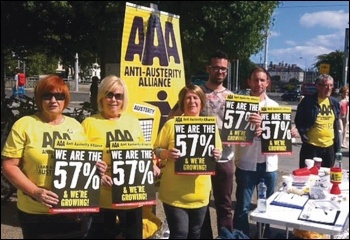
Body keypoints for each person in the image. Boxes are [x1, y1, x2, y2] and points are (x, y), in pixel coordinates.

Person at [1, 74, 107, 239]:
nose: (53, 100)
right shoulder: (25, 125)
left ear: (65, 100)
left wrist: (97, 168)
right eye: (47, 95)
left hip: (71, 212)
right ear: (39, 98)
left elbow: (83, 161)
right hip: (36, 213)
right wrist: (35, 192)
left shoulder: (76, 126)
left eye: (59, 96)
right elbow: (9, 166)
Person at [167, 50, 235, 237]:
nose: (220, 72)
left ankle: (226, 236)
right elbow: (173, 115)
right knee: (201, 204)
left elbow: (244, 128)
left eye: (223, 69)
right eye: (216, 68)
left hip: (223, 157)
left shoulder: (233, 97)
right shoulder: (196, 92)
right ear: (208, 69)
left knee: (225, 205)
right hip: (197, 159)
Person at [232, 67, 298, 237]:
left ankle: (265, 234)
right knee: (242, 207)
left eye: (262, 80)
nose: (258, 84)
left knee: (267, 207)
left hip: (269, 166)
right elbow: (231, 135)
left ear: (268, 83)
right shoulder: (239, 107)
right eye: (255, 80)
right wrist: (248, 127)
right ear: (249, 81)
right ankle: (241, 236)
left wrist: (289, 133)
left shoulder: (275, 107)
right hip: (246, 164)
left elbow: (282, 140)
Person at [154, 83, 223, 239]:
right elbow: (156, 149)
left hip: (200, 193)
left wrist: (217, 154)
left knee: (195, 234)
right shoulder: (172, 124)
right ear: (182, 102)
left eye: (195, 97)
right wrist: (166, 153)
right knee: (180, 234)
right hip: (174, 194)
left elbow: (218, 153)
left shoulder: (210, 126)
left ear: (202, 102)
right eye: (188, 98)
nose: (192, 101)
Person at [82, 75, 145, 239]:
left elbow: (143, 152)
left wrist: (151, 164)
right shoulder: (89, 123)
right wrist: (96, 174)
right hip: (103, 200)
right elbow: (80, 160)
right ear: (101, 97)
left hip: (132, 198)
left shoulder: (133, 121)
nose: (113, 100)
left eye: (118, 95)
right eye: (109, 94)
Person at [295, 74, 341, 168]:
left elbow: (336, 123)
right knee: (308, 176)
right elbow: (298, 120)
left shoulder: (334, 102)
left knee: (326, 176)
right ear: (318, 86)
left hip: (329, 147)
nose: (329, 88)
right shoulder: (308, 102)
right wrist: (302, 133)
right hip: (311, 146)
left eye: (331, 85)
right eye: (325, 85)